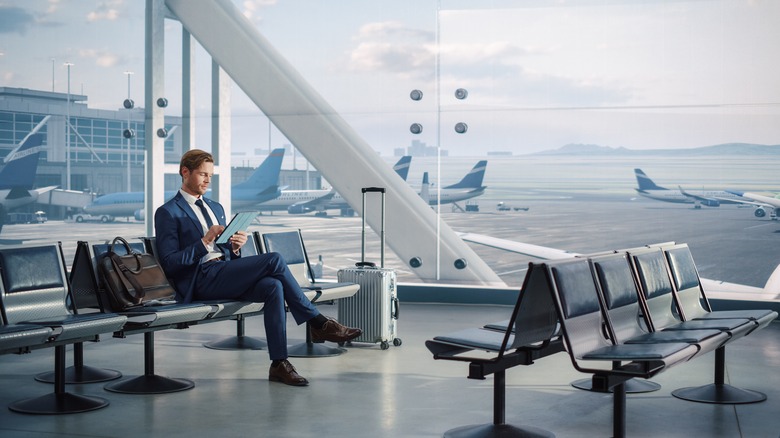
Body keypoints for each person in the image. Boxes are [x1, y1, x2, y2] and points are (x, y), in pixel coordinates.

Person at [154, 149, 362, 386]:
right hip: (199, 280)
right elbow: (170, 263)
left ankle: (279, 364)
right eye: (202, 174)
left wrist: (235, 247)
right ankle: (318, 323)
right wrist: (204, 242)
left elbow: (225, 253)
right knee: (272, 259)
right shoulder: (167, 212)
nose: (208, 180)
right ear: (184, 172)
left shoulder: (215, 207)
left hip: (223, 273)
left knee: (273, 286)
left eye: (210, 175)